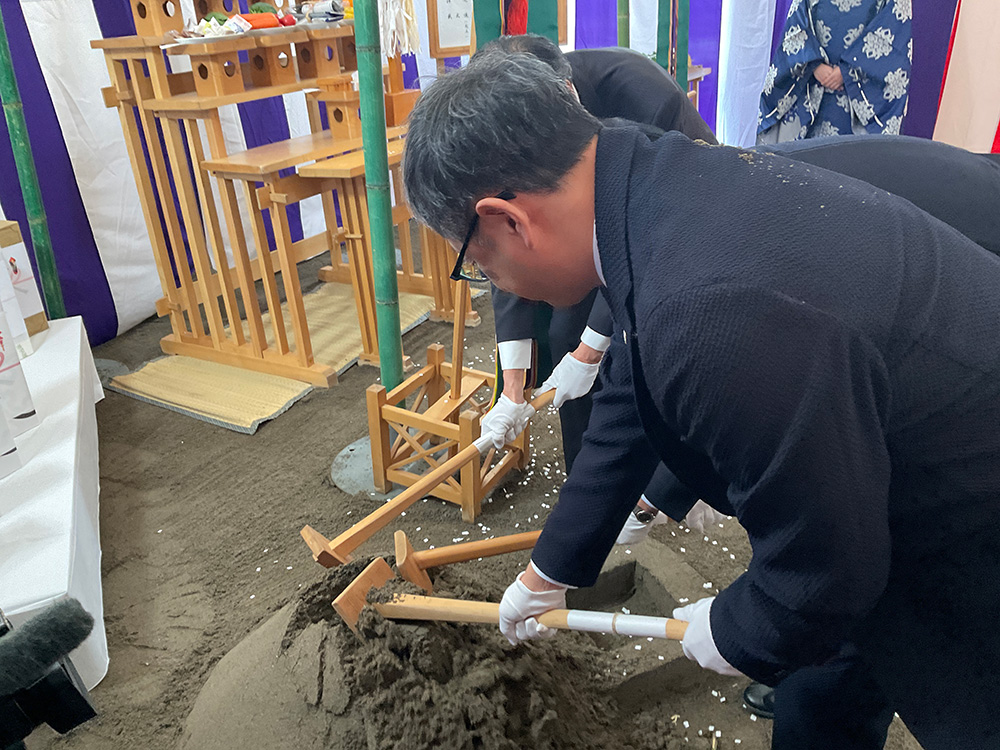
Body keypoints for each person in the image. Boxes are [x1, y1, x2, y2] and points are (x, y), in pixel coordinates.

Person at [402, 54, 1000, 749]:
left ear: (507, 219)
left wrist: (744, 625)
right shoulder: (647, 182)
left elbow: (831, 561)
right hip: (890, 447)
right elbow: (633, 386)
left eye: (477, 266)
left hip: (964, 504)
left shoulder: (709, 308)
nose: (493, 282)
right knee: (822, 687)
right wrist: (552, 566)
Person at [473, 35, 716, 479]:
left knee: (632, 347)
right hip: (588, 226)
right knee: (565, 332)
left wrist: (590, 351)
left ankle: (662, 480)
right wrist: (512, 388)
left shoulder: (645, 97)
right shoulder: (507, 121)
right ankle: (586, 476)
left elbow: (647, 233)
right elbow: (504, 245)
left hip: (674, 226)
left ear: (566, 94)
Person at [758, 0, 911, 142]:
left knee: (851, 156)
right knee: (807, 154)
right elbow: (796, 23)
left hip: (859, 91)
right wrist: (813, 63)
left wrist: (848, 69)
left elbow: (894, 27)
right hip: (812, 83)